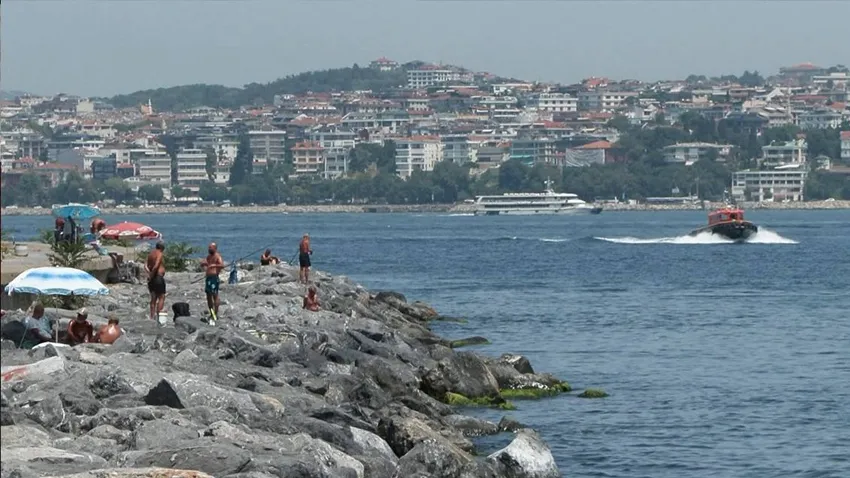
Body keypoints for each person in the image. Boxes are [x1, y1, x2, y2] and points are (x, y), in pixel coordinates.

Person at [201, 242, 224, 319]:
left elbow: (222, 265)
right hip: (208, 278)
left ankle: (216, 313)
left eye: (211, 247)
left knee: (215, 295)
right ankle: (211, 313)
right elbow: (205, 264)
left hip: (214, 277)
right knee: (208, 296)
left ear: (215, 248)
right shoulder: (209, 257)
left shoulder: (217, 256)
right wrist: (203, 264)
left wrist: (214, 265)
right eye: (209, 247)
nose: (209, 249)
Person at [145, 241, 167, 322]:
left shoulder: (150, 254)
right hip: (158, 277)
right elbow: (156, 265)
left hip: (152, 279)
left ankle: (151, 316)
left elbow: (145, 266)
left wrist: (149, 274)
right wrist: (152, 274)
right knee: (161, 297)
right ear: (162, 248)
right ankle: (158, 315)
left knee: (153, 298)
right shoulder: (159, 254)